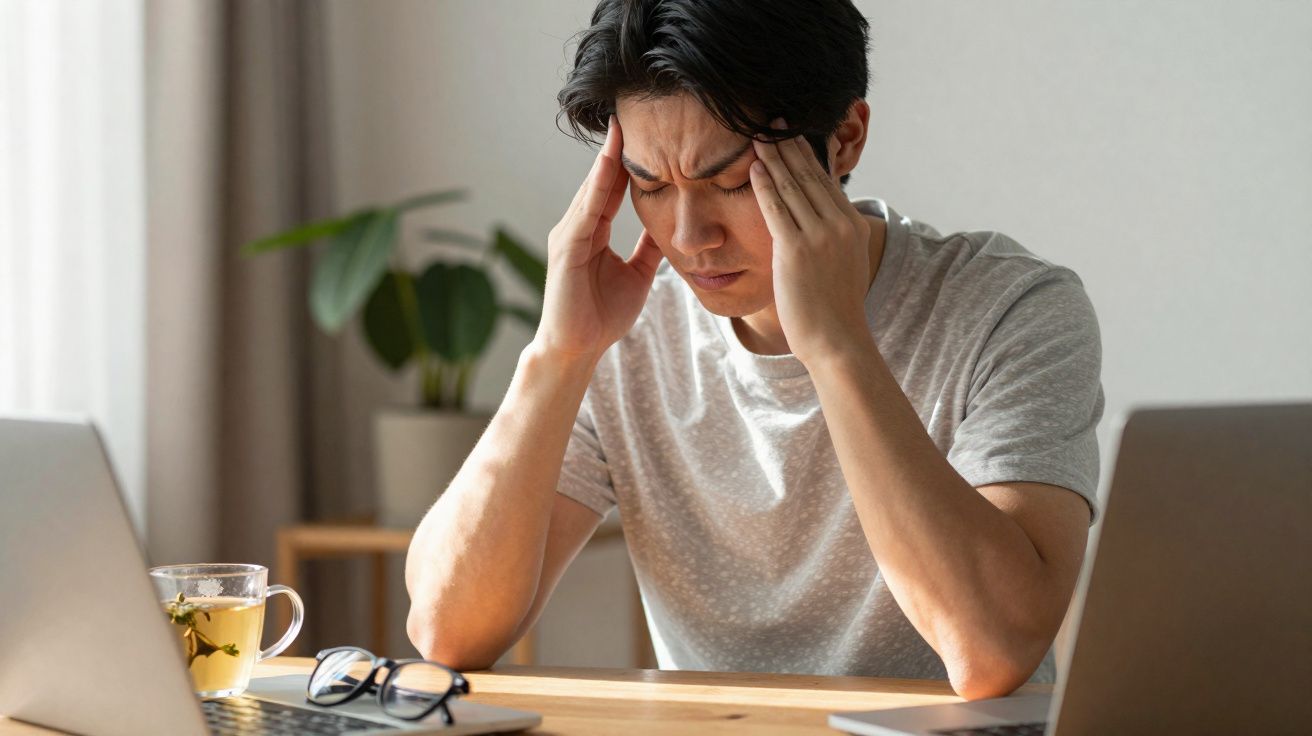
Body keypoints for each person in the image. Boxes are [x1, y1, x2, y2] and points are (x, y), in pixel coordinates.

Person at [405, 0, 1103, 701]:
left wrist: (836, 347)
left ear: (846, 138)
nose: (690, 236)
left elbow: (992, 651)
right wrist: (558, 355)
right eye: (649, 185)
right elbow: (448, 631)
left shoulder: (1010, 309)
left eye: (732, 182)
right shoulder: (628, 330)